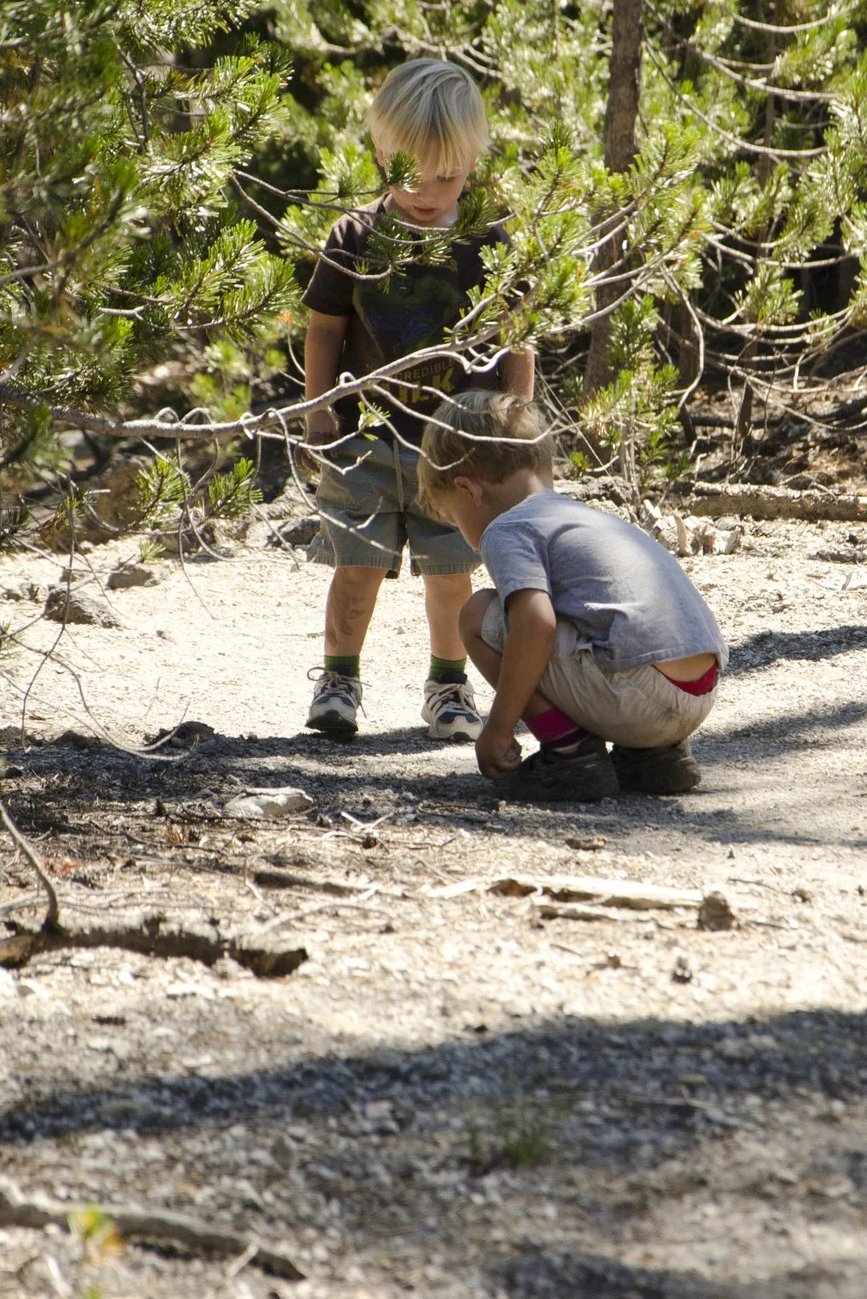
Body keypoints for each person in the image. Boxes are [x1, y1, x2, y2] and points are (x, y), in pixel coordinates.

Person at [300, 58, 534, 743]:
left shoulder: (489, 243)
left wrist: (516, 427)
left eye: (448, 177)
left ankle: (449, 685)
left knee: (451, 574)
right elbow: (325, 327)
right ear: (381, 154)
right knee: (356, 565)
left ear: (473, 164)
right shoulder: (355, 235)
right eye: (410, 175)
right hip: (364, 443)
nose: (427, 193)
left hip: (460, 452)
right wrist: (318, 410)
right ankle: (339, 680)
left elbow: (519, 340)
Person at [417, 390, 725, 802]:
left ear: (468, 490)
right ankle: (653, 756)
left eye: (455, 520)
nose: (465, 535)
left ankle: (570, 755)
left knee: (475, 615)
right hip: (700, 692)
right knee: (592, 620)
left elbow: (536, 625)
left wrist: (498, 729)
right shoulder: (585, 517)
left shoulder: (507, 528)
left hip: (634, 694)